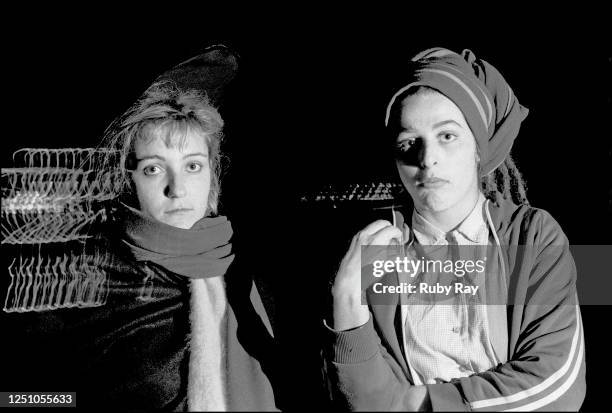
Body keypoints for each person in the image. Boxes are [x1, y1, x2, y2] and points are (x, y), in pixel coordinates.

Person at [4, 46, 280, 411]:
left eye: (193, 166)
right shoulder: (80, 280)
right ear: (128, 179)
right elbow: (18, 398)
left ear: (213, 173)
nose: (177, 188)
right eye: (153, 168)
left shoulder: (246, 275)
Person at [324, 47, 586, 411]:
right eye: (408, 143)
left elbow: (558, 386)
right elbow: (364, 401)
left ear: (479, 148)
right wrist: (346, 300)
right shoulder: (373, 253)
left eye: (447, 136)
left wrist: (424, 402)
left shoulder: (532, 236)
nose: (426, 158)